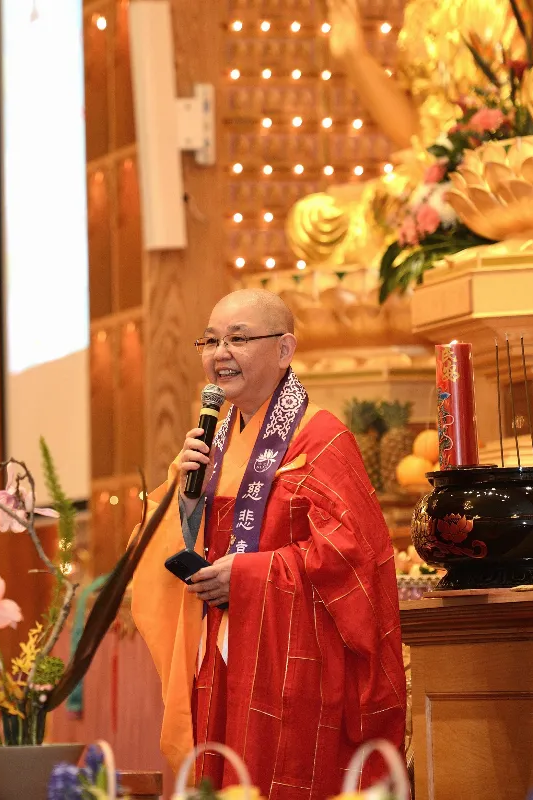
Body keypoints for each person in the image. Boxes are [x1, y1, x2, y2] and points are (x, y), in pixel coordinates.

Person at [132, 289, 406, 798]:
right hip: (218, 655)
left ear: (284, 350)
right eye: (211, 341)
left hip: (293, 662)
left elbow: (353, 556)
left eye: (238, 339)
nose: (220, 354)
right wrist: (184, 499)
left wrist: (250, 574)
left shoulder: (321, 439)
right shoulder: (209, 440)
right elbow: (160, 544)